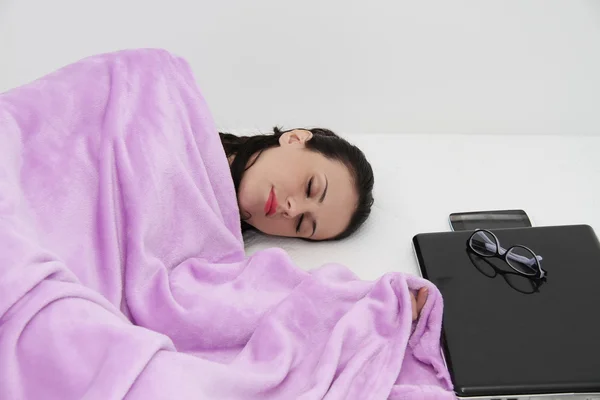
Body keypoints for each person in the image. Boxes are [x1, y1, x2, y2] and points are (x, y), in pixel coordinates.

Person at [220, 126, 428, 318]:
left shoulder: (217, 254)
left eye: (302, 224)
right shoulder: (189, 120)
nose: (293, 210)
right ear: (294, 139)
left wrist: (376, 312)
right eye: (311, 187)